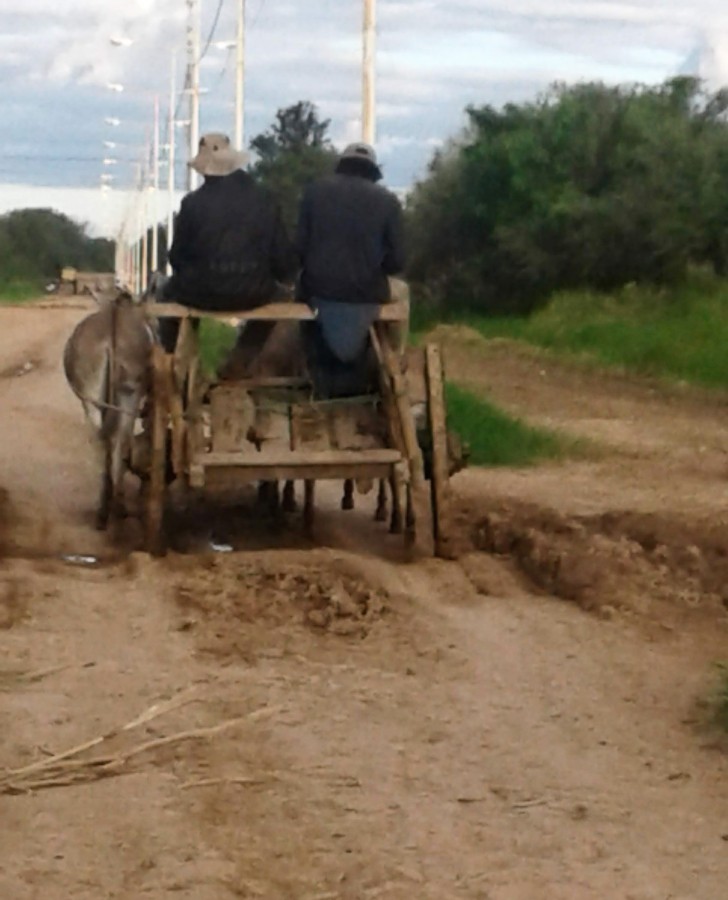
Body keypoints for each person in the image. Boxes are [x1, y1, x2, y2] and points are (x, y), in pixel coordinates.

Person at [158, 132, 297, 357]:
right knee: (282, 298)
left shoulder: (192, 203)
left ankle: (174, 358)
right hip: (256, 292)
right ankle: (241, 359)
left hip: (199, 292)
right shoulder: (265, 199)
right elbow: (282, 260)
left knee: (165, 293)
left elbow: (176, 258)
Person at [296, 142, 406, 397]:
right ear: (372, 172)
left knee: (299, 292)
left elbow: (299, 249)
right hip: (366, 291)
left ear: (341, 166)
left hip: (318, 288)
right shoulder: (388, 202)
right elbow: (397, 262)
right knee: (403, 293)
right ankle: (395, 362)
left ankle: (305, 368)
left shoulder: (313, 193)